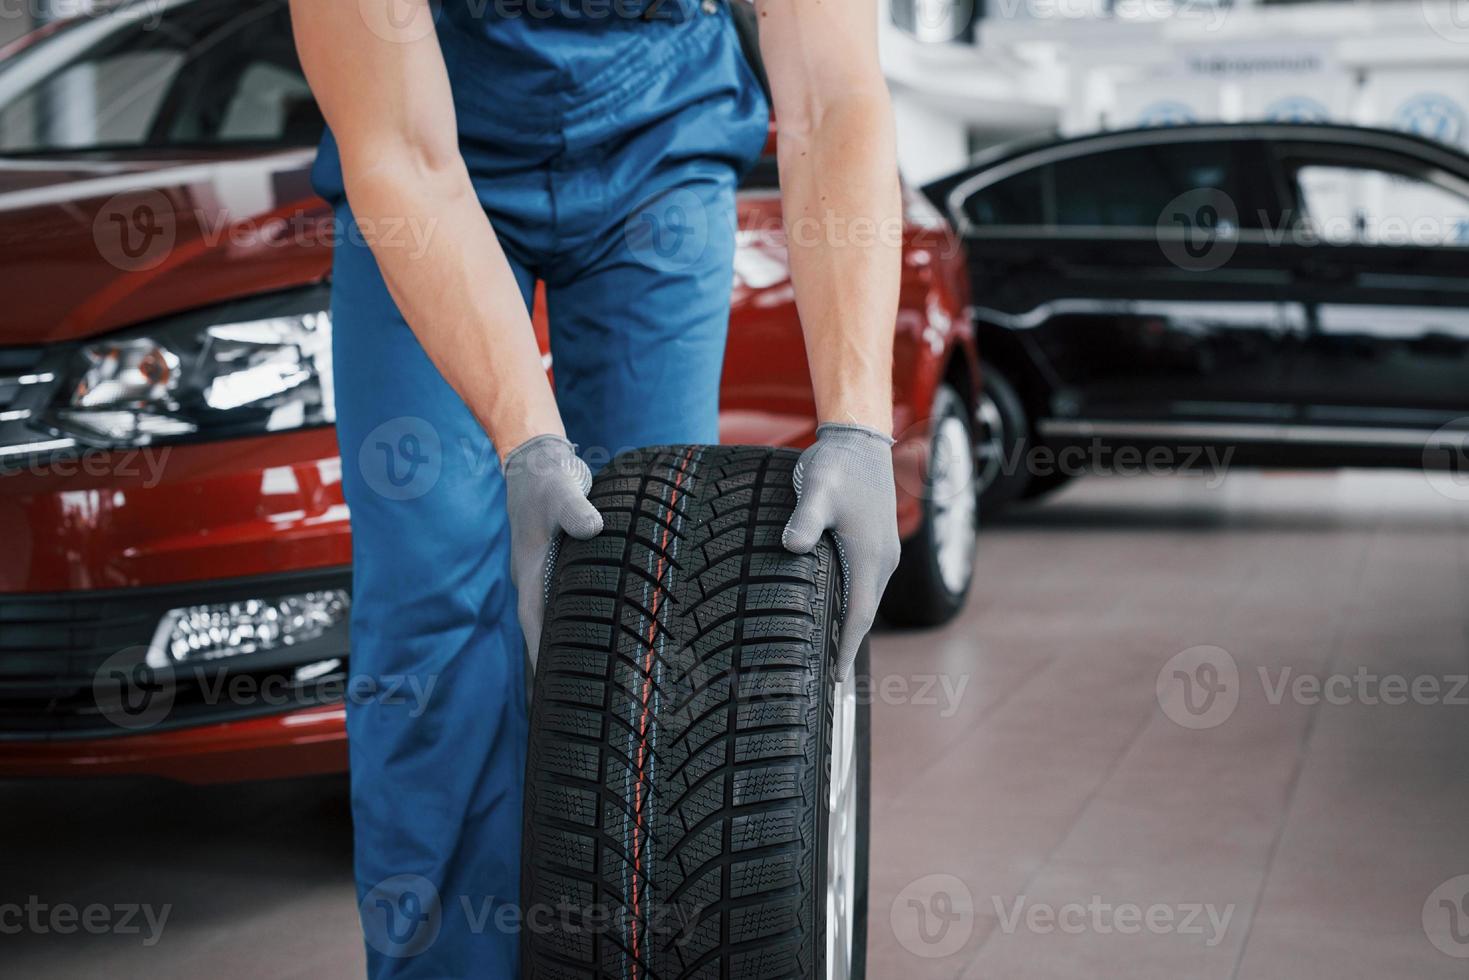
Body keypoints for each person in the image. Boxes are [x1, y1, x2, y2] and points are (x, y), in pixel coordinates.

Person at [289, 0, 901, 974]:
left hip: (660, 136)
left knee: (660, 596)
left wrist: (857, 424)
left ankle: (649, 951)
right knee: (435, 599)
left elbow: (831, 97)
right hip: (428, 138)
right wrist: (527, 446)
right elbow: (403, 153)